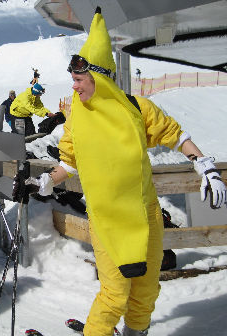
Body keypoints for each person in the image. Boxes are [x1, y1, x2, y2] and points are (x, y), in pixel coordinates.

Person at [13, 8, 227, 336]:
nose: (74, 86)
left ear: (98, 77)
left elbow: (175, 134)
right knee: (114, 296)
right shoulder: (77, 120)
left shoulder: (137, 109)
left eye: (79, 79)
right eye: (73, 79)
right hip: (107, 222)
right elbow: (69, 163)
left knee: (146, 292)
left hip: (147, 218)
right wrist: (44, 180)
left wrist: (204, 164)